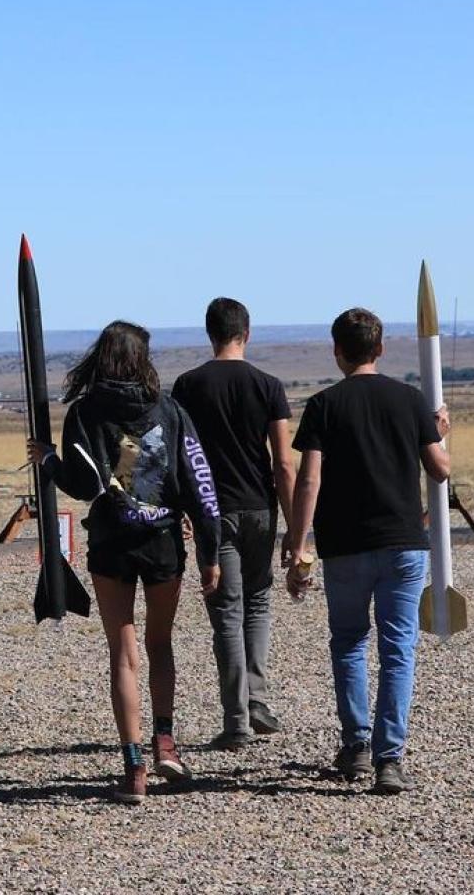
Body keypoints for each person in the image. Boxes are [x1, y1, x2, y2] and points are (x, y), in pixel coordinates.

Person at [27, 321, 221, 805]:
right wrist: (210, 553)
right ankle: (165, 742)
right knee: (161, 643)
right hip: (162, 543)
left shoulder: (86, 412)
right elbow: (201, 483)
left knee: (124, 653)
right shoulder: (171, 410)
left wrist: (47, 461)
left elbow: (82, 483)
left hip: (112, 543)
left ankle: (133, 767)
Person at [281, 308, 450, 795]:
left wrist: (298, 543)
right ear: (380, 348)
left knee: (350, 644)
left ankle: (355, 746)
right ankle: (389, 759)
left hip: (345, 547)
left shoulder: (324, 405)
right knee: (398, 650)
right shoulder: (409, 399)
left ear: (337, 351)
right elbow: (440, 468)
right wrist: (440, 431)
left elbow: (309, 478)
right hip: (402, 544)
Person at [172, 298, 295, 749]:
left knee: (226, 611)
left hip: (212, 510)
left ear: (210, 333)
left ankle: (237, 719)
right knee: (258, 603)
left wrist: (183, 510)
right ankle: (256, 699)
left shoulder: (187, 385)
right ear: (247, 332)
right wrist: (296, 528)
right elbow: (283, 463)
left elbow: (179, 457)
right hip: (261, 508)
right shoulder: (269, 385)